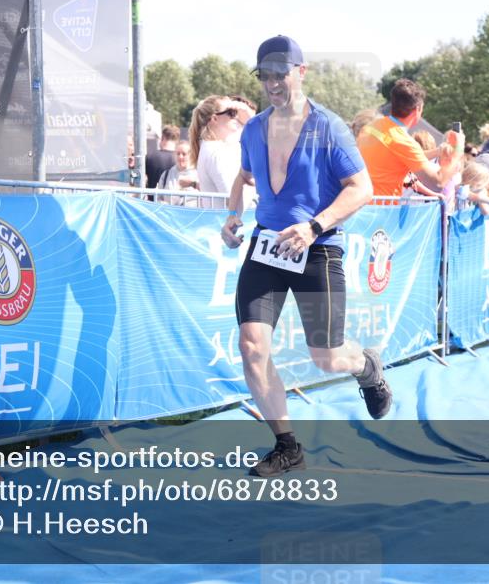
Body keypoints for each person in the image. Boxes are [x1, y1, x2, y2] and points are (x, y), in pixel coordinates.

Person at [221, 35, 391, 478]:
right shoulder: (254, 128)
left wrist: (315, 225)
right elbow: (242, 177)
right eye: (265, 76)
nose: (273, 83)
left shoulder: (329, 127)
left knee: (327, 357)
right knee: (251, 346)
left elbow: (362, 188)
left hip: (318, 249)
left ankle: (367, 367)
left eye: (282, 74)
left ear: (301, 72)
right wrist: (232, 216)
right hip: (267, 248)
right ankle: (287, 446)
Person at [356, 78, 461, 197]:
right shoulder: (403, 141)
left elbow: (403, 159)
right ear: (418, 109)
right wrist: (457, 151)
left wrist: (438, 151)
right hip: (382, 211)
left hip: (360, 207)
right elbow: (438, 182)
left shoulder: (371, 127)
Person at [189, 95, 255, 207]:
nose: (236, 117)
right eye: (231, 113)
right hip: (232, 221)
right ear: (214, 118)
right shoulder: (216, 152)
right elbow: (234, 199)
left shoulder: (212, 148)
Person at [157, 139, 198, 206]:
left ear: (191, 155)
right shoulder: (166, 175)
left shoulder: (198, 175)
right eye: (178, 154)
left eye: (184, 154)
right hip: (170, 214)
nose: (180, 157)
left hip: (191, 214)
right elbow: (158, 198)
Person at [145, 124, 180, 191]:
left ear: (163, 137)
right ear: (177, 140)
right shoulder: (181, 159)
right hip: (173, 199)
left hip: (152, 200)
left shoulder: (150, 156)